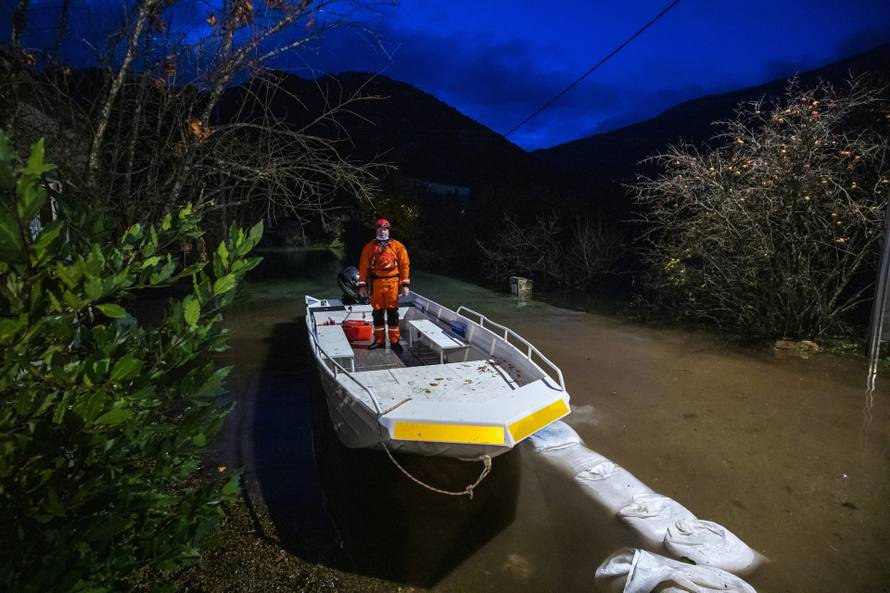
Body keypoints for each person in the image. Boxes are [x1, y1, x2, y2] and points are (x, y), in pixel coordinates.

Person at [357, 218, 410, 351]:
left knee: (393, 313)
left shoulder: (398, 246)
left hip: (393, 283)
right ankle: (379, 341)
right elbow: (363, 267)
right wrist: (362, 285)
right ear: (376, 230)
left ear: (389, 230)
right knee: (378, 313)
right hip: (376, 283)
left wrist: (404, 284)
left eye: (385, 229)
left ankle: (394, 341)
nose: (382, 231)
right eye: (380, 228)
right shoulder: (369, 247)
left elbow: (404, 265)